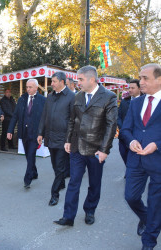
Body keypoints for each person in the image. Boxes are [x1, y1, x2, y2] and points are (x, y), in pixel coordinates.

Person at [54, 65, 117, 226]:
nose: (77, 82)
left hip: (96, 150)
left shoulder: (109, 97)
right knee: (74, 182)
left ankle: (90, 210)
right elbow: (71, 120)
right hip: (76, 147)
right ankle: (68, 216)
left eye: (80, 79)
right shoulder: (77, 97)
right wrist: (68, 140)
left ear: (92, 79)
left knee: (94, 183)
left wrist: (104, 150)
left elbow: (111, 125)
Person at [121, 63, 161, 250]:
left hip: (158, 161)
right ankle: (147, 218)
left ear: (159, 79)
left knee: (155, 204)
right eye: (140, 77)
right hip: (136, 160)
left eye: (145, 78)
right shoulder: (135, 103)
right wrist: (130, 142)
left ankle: (148, 242)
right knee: (130, 197)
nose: (141, 81)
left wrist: (157, 145)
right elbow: (126, 129)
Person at [37, 72, 75, 206]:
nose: (51, 84)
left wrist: (69, 140)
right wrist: (40, 133)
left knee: (59, 167)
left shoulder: (71, 97)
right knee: (55, 165)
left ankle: (55, 194)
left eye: (54, 81)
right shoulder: (50, 96)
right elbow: (44, 116)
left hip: (63, 139)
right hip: (50, 136)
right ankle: (62, 182)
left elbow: (73, 120)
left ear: (62, 82)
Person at [7, 79, 46, 188]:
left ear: (36, 88)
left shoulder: (43, 100)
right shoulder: (22, 99)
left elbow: (45, 118)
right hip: (24, 132)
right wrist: (10, 130)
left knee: (31, 154)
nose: (28, 89)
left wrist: (42, 133)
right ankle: (34, 172)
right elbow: (15, 115)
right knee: (28, 156)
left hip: (36, 134)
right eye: (27, 87)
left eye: (30, 87)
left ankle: (27, 179)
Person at [117, 79, 141, 167]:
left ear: (139, 88)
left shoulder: (145, 101)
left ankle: (131, 172)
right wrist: (123, 128)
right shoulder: (124, 101)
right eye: (129, 88)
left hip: (137, 136)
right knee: (124, 154)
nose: (130, 90)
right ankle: (129, 169)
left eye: (133, 88)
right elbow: (118, 117)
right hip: (123, 136)